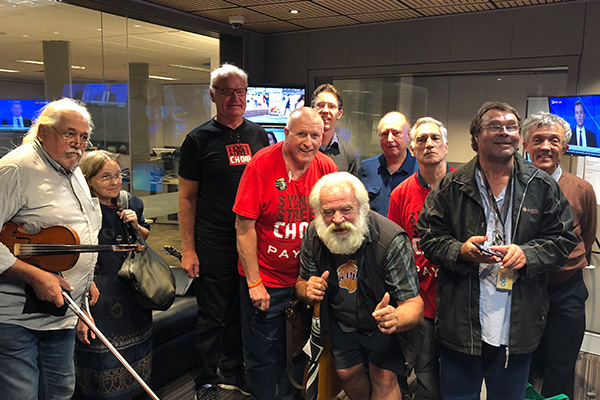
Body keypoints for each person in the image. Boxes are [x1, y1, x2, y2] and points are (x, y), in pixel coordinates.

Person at [416, 101, 577, 400]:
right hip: (461, 323)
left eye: (511, 127)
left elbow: (563, 240)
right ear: (476, 136)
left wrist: (528, 254)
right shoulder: (451, 186)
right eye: (494, 126)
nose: (504, 132)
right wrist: (460, 251)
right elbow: (428, 236)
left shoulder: (541, 186)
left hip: (517, 324)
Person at [178, 63, 269, 399]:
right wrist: (189, 249)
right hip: (213, 240)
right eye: (227, 91)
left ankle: (233, 371)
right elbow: (186, 198)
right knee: (212, 314)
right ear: (212, 95)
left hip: (250, 240)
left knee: (240, 310)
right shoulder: (197, 140)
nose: (235, 98)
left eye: (240, 91)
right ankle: (205, 378)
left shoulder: (258, 135)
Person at [0, 98, 101, 399]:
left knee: (60, 392)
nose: (78, 144)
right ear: (43, 132)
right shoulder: (15, 169)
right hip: (18, 317)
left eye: (83, 137)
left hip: (62, 311)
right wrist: (34, 276)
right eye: (69, 133)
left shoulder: (72, 168)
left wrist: (86, 281)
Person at [234, 107, 337, 400]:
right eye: (301, 134)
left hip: (306, 280)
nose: (309, 142)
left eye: (315, 135)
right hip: (266, 280)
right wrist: (254, 283)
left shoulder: (327, 168)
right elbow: (244, 227)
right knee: (263, 355)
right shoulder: (262, 164)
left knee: (301, 352)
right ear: (286, 134)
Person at [297, 172, 423, 400]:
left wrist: (395, 317)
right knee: (346, 374)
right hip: (342, 322)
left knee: (383, 377)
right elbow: (301, 282)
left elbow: (414, 305)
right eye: (328, 212)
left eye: (346, 209)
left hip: (382, 323)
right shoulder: (314, 235)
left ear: (363, 207)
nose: (337, 219)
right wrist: (306, 289)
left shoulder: (390, 239)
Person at [523, 112, 597, 400]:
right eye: (538, 140)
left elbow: (586, 236)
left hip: (566, 290)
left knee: (561, 365)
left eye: (553, 141)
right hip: (524, 288)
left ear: (564, 148)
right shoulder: (513, 186)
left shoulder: (582, 190)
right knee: (521, 363)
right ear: (526, 145)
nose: (545, 146)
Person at [74, 150, 152, 399]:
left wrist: (135, 225)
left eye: (118, 175)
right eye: (106, 177)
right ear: (88, 180)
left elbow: (143, 239)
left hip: (132, 285)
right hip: (99, 288)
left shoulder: (130, 202)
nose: (115, 182)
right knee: (101, 352)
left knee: (138, 349)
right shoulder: (79, 208)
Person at [388, 117, 453, 400]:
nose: (429, 144)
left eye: (435, 138)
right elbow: (395, 248)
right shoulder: (401, 193)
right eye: (421, 140)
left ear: (446, 146)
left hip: (455, 300)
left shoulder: (465, 187)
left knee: (456, 373)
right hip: (420, 298)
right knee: (424, 372)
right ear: (412, 149)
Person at [358, 111, 418, 217]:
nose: (390, 139)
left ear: (408, 135)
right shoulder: (366, 168)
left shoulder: (420, 170)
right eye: (385, 134)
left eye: (396, 133)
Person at [311, 84, 358, 174]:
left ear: (339, 114)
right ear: (312, 110)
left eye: (331, 106)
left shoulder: (348, 155)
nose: (325, 110)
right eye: (320, 105)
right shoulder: (301, 148)